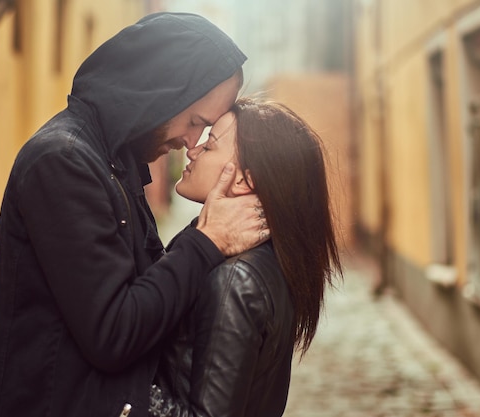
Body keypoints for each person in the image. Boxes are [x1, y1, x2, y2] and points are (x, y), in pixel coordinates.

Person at [0, 13, 269, 417]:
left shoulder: (113, 161)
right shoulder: (64, 162)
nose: (190, 143)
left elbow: (143, 289)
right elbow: (113, 332)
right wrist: (206, 242)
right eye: (194, 122)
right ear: (160, 91)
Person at [147, 98, 343, 417]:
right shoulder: (263, 258)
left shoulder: (235, 280)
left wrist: (124, 398)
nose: (192, 150)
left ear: (244, 180)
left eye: (209, 145)